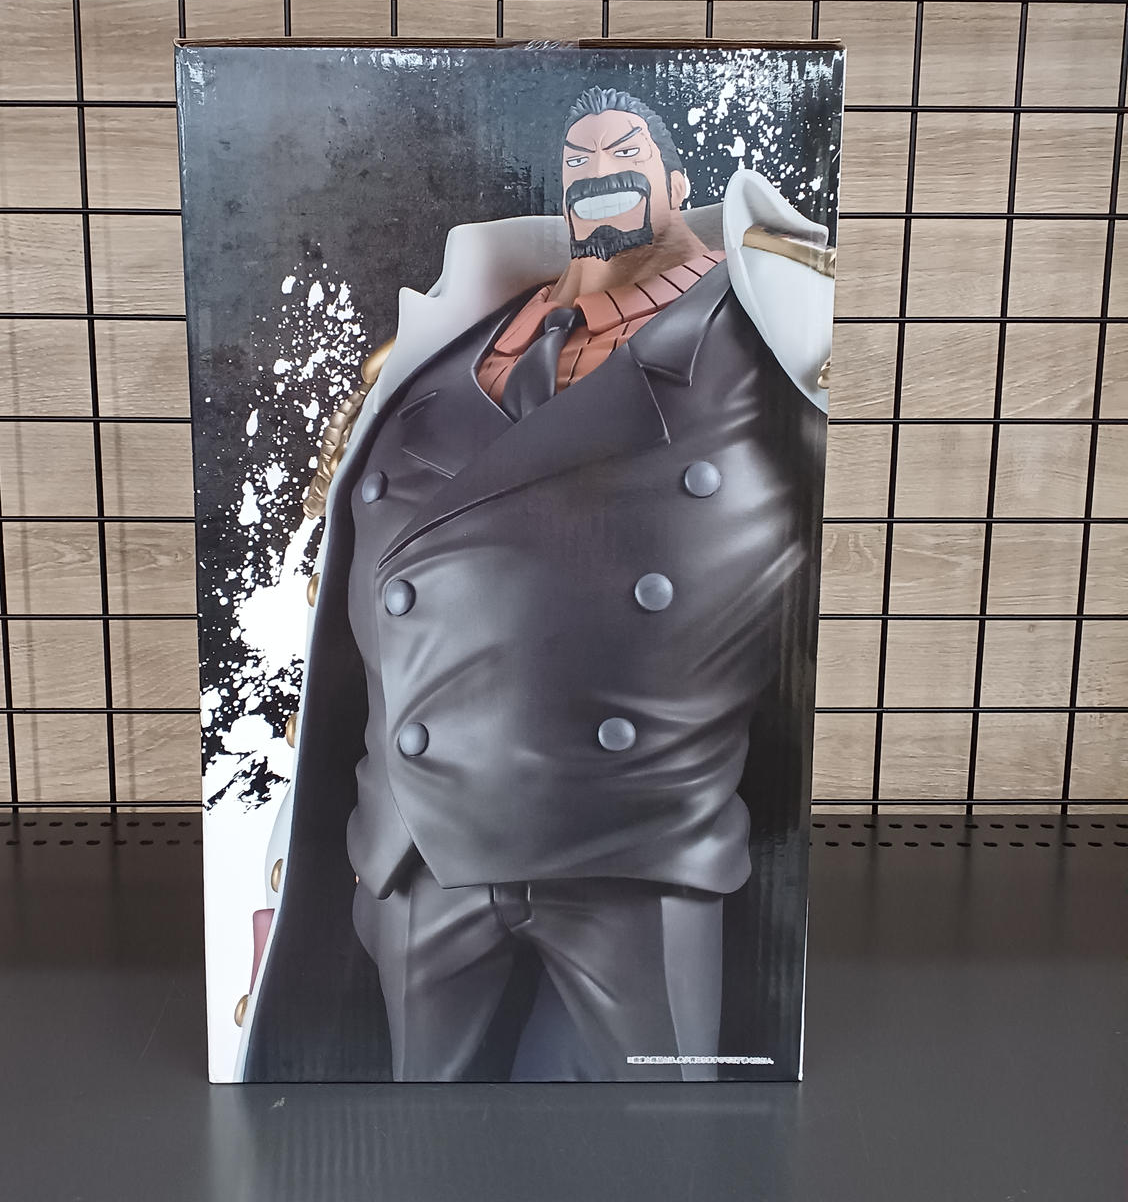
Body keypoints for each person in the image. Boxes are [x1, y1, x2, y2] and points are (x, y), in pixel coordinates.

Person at [235, 87, 834, 1082]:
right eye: (578, 164)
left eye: (623, 154)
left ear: (677, 182)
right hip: (415, 849)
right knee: (425, 1140)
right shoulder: (444, 341)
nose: (598, 174)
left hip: (638, 842)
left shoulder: (778, 319)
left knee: (669, 1143)